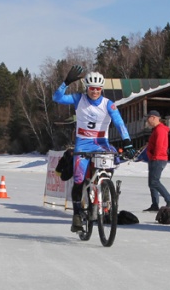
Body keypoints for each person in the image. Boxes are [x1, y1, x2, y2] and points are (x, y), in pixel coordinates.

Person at [52, 66, 132, 232]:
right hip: (83, 143)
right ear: (86, 88)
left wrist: (127, 141)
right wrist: (66, 83)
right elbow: (57, 98)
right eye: (91, 88)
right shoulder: (78, 98)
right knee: (79, 179)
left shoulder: (108, 104)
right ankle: (77, 214)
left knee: (110, 164)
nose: (94, 91)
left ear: (101, 89)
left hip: (101, 143)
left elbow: (119, 123)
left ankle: (104, 189)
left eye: (97, 89)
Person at [142, 109, 170, 212]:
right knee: (151, 183)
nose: (147, 121)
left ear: (153, 118)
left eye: (148, 118)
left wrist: (155, 156)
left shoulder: (160, 130)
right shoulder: (156, 129)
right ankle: (155, 204)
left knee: (154, 181)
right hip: (154, 158)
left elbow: (160, 145)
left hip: (158, 159)